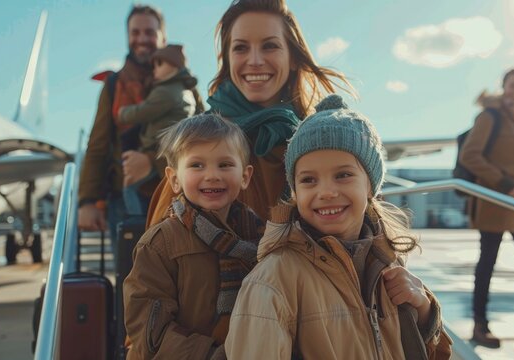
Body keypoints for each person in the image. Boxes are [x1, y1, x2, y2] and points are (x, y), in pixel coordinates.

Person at [225, 95, 453, 359]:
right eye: (309, 180)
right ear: (295, 191)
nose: (327, 192)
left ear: (370, 185)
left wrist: (424, 312)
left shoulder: (388, 265)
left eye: (343, 175)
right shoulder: (274, 279)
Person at [146, 0, 354, 227]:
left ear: (293, 57)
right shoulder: (198, 141)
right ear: (228, 59)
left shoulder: (324, 139)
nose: (255, 61)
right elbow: (159, 250)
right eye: (241, 48)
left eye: (269, 46)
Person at [123, 113, 264, 359]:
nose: (212, 175)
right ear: (174, 179)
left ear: (245, 176)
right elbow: (150, 331)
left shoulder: (261, 238)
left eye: (225, 164)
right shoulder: (159, 244)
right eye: (197, 165)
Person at [78, 5, 166, 243]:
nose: (142, 39)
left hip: (172, 195)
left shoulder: (182, 83)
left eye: (149, 32)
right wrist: (87, 201)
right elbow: (97, 145)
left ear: (162, 36)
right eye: (135, 33)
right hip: (123, 201)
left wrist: (151, 162)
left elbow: (199, 140)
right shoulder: (114, 84)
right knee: (129, 277)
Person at [459, 67, 514, 348]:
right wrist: (505, 184)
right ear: (504, 85)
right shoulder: (489, 115)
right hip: (495, 201)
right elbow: (471, 155)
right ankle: (480, 325)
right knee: (487, 263)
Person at [118, 43, 204, 216]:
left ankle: (137, 225)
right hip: (172, 149)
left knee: (129, 187)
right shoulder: (185, 90)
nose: (154, 69)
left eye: (159, 64)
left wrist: (122, 113)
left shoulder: (166, 91)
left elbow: (143, 111)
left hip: (158, 150)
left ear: (173, 65)